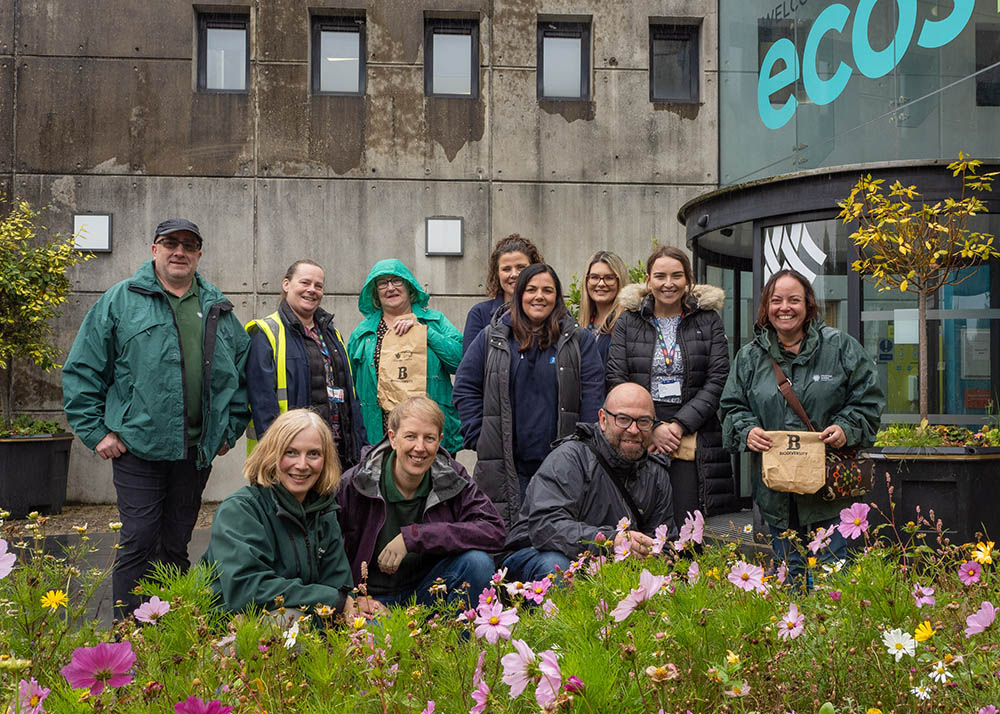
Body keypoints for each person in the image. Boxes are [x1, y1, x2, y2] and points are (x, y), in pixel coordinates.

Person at [62, 218, 250, 617]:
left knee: (177, 541)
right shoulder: (120, 300)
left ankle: (169, 632)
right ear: (154, 250)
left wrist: (227, 433)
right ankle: (128, 636)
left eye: (188, 245)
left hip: (194, 452)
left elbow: (242, 375)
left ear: (199, 254)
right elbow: (83, 369)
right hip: (137, 449)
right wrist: (97, 433)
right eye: (170, 243)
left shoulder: (217, 306)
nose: (179, 251)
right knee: (139, 539)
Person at [720, 269, 885, 583]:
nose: (785, 307)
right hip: (777, 492)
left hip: (829, 493)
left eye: (794, 300)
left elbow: (869, 399)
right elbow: (731, 406)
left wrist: (846, 428)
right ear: (766, 307)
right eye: (776, 300)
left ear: (809, 306)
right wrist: (746, 431)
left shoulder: (840, 348)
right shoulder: (750, 357)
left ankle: (834, 633)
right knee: (790, 575)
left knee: (833, 577)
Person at [453, 263, 605, 526]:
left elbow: (593, 395)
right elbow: (465, 386)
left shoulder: (579, 340)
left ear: (557, 297)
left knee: (557, 539)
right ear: (519, 294)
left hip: (562, 464)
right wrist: (479, 435)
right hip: (506, 466)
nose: (539, 296)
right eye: (531, 289)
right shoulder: (492, 337)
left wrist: (585, 446)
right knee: (506, 541)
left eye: (548, 290)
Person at [606, 245, 737, 524]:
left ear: (688, 280)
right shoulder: (628, 322)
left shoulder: (708, 320)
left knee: (687, 521)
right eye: (660, 276)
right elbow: (616, 378)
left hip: (691, 431)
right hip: (639, 429)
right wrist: (651, 428)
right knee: (640, 518)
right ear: (648, 280)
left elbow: (718, 380)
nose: (668, 284)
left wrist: (677, 426)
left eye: (677, 276)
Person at [337, 396, 505, 607]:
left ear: (440, 440)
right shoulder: (357, 482)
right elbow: (330, 549)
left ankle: (458, 637)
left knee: (478, 563)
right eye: (410, 436)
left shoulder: (452, 478)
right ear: (392, 438)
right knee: (377, 638)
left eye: (429, 438)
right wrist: (350, 598)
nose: (419, 447)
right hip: (372, 599)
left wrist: (415, 536)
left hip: (429, 591)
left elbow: (494, 530)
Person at [503, 383, 676, 581]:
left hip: (609, 564)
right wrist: (611, 542)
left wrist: (653, 555)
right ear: (603, 419)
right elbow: (545, 526)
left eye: (644, 421)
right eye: (623, 419)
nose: (633, 429)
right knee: (557, 567)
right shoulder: (570, 458)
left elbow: (665, 540)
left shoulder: (657, 473)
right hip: (537, 553)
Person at [201, 409, 355, 616]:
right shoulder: (240, 511)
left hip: (305, 626)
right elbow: (247, 590)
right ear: (272, 454)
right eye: (290, 452)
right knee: (288, 619)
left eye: (313, 454)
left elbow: (339, 586)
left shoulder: (324, 512)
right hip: (232, 630)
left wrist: (343, 605)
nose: (302, 465)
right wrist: (332, 601)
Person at [245, 260, 366, 468]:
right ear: (286, 284)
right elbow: (262, 403)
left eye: (318, 286)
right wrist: (276, 456)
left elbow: (349, 396)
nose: (312, 290)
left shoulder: (332, 334)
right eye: (305, 282)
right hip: (291, 459)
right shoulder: (265, 332)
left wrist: (360, 447)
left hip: (337, 454)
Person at [347, 259, 464, 454]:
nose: (390, 288)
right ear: (375, 292)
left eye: (396, 281)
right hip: (380, 434)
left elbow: (460, 362)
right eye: (382, 283)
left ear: (409, 286)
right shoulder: (362, 333)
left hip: (429, 433)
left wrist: (425, 332)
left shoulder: (435, 321)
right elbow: (349, 383)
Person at [462, 234, 544, 355]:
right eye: (506, 269)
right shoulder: (479, 314)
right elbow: (469, 369)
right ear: (497, 274)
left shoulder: (547, 312)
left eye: (521, 267)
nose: (514, 274)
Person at [577, 250, 628, 365]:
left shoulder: (628, 322)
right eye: (594, 277)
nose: (601, 284)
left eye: (609, 278)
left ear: (619, 281)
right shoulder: (580, 324)